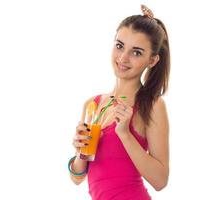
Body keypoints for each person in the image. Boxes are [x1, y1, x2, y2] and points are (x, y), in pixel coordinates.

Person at [69, 5, 170, 200]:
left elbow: (160, 180)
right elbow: (77, 178)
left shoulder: (152, 105)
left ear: (152, 60)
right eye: (119, 46)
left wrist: (125, 134)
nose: (123, 58)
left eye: (137, 52)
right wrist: (80, 152)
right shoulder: (93, 104)